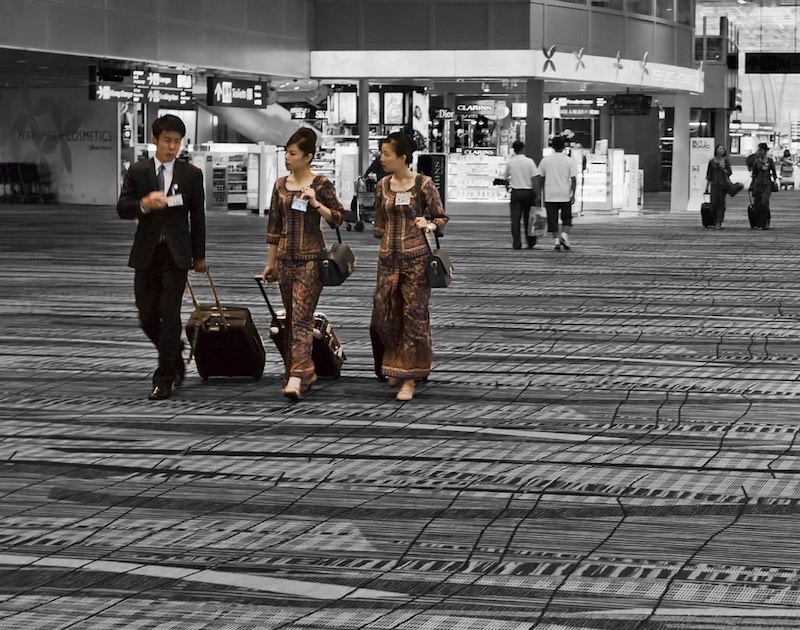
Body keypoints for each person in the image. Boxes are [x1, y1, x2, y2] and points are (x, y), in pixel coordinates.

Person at [117, 114, 206, 401]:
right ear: (154, 139)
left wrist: (199, 256)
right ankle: (174, 352)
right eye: (167, 140)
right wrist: (144, 204)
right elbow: (122, 207)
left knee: (170, 316)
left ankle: (164, 377)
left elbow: (198, 217)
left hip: (176, 255)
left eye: (177, 142)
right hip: (146, 253)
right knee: (146, 317)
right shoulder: (138, 171)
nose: (172, 147)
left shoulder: (191, 174)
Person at [261, 128, 345, 400]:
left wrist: (316, 203)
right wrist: (271, 263)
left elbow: (337, 218)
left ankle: (296, 376)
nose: (287, 157)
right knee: (292, 317)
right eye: (286, 152)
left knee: (300, 317)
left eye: (293, 153)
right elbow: (274, 227)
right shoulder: (280, 185)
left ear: (308, 157)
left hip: (311, 260)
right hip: (285, 260)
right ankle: (302, 370)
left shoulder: (321, 184)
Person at [371, 132, 448, 401]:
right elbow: (380, 223)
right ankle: (396, 363)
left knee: (414, 316)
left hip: (416, 260)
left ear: (403, 157)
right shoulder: (382, 186)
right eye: (381, 153)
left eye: (386, 154)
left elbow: (440, 217)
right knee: (386, 314)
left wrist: (429, 224)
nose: (381, 159)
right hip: (387, 260)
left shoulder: (423, 184)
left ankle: (410, 377)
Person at [538, 136, 577, 251]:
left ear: (552, 147)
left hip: (550, 194)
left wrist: (540, 193)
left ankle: (556, 241)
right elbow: (573, 179)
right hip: (564, 194)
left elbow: (541, 178)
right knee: (567, 218)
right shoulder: (569, 160)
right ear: (564, 146)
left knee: (552, 219)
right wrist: (573, 193)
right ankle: (564, 235)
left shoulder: (545, 160)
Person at [503, 140, 539, 249]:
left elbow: (506, 177)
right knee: (529, 219)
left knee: (515, 219)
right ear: (523, 149)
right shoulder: (529, 162)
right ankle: (530, 241)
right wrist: (537, 194)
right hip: (528, 193)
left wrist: (507, 188)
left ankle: (517, 243)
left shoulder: (511, 162)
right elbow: (534, 178)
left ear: (514, 150)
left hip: (516, 192)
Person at [704, 144, 733, 229]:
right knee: (713, 203)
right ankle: (715, 219)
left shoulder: (725, 161)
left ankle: (719, 221)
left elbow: (729, 172)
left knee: (721, 203)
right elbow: (709, 175)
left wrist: (723, 169)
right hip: (714, 184)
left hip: (723, 184)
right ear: (716, 150)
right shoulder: (712, 162)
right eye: (719, 148)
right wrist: (706, 187)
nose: (721, 150)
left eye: (722, 149)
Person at [750, 142, 777, 230]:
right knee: (757, 204)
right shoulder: (756, 161)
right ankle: (759, 222)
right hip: (757, 185)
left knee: (764, 203)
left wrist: (775, 181)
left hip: (767, 185)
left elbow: (774, 173)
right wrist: (752, 185)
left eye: (761, 150)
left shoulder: (770, 161)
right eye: (758, 150)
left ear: (765, 151)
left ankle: (766, 221)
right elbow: (754, 174)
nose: (759, 152)